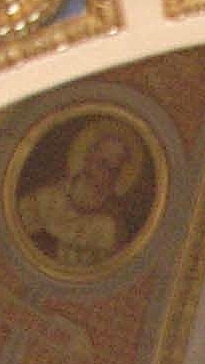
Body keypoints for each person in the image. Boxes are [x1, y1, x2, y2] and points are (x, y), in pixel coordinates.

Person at [15, 117, 149, 273]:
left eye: (114, 170)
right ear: (88, 158)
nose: (105, 174)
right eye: (103, 163)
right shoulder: (48, 196)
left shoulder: (108, 226)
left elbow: (99, 271)